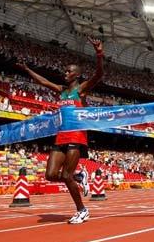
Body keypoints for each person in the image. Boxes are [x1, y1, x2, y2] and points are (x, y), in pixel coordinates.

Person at [19, 37, 103, 224]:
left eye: (68, 71)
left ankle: (82, 210)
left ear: (77, 75)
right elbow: (44, 82)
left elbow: (99, 74)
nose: (64, 73)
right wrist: (27, 70)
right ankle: (80, 177)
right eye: (65, 70)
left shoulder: (81, 90)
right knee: (50, 175)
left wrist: (98, 53)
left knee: (66, 175)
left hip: (76, 136)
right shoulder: (62, 91)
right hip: (61, 137)